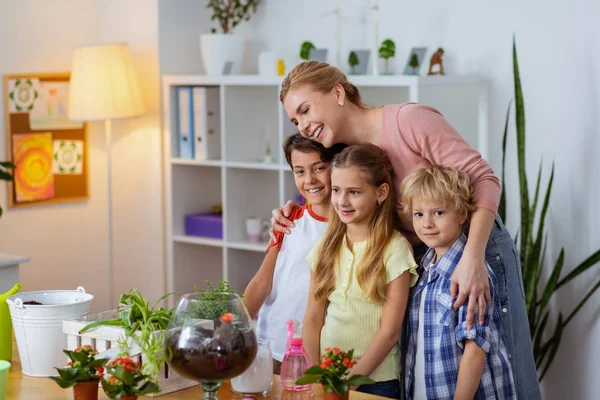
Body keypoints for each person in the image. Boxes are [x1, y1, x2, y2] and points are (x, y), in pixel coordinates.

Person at [272, 61, 540, 399]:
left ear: (338, 93)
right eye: (295, 120)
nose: (304, 125)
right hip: (424, 262)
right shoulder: (344, 153)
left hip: (475, 247)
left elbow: (484, 179)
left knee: (504, 371)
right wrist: (289, 212)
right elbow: (329, 195)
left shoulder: (408, 121)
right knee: (432, 370)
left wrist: (472, 259)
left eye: (305, 110)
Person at [303, 144, 418, 399]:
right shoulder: (325, 246)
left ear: (381, 192)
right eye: (336, 190)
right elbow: (312, 318)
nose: (342, 201)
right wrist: (316, 375)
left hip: (377, 382)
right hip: (327, 376)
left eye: (354, 192)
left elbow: (389, 331)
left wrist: (350, 383)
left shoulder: (395, 250)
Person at [401, 165, 515, 400]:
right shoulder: (425, 270)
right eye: (419, 214)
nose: (427, 224)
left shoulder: (471, 276)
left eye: (438, 213)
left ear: (462, 214)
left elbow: (475, 349)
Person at [243, 133, 345, 374]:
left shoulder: (351, 228)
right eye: (299, 171)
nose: (310, 179)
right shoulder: (288, 220)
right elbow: (261, 282)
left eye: (319, 168)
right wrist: (232, 326)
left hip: (319, 350)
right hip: (272, 342)